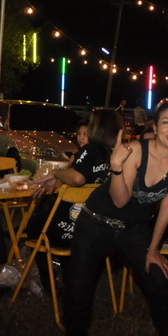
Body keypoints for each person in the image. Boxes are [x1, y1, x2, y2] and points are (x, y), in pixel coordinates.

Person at [62, 99, 168, 336]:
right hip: (95, 221)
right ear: (155, 128)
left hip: (133, 227)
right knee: (78, 289)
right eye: (166, 122)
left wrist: (153, 249)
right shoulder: (135, 150)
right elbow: (120, 201)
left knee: (159, 281)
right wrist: (116, 167)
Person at [26, 110, 120, 290]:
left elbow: (78, 178)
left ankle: (50, 285)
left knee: (33, 229)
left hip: (75, 230)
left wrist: (56, 173)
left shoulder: (90, 150)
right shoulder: (115, 154)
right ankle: (70, 280)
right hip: (100, 231)